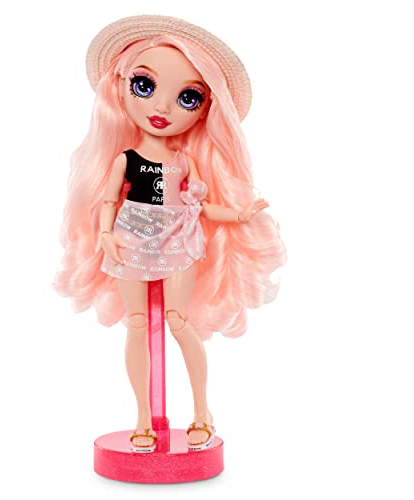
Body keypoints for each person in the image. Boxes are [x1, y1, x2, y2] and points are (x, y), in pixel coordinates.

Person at [52, 15, 287, 453]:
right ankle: (144, 417)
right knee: (136, 324)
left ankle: (202, 412)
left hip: (178, 240)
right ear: (120, 88)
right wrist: (104, 234)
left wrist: (239, 213)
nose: (162, 108)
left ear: (206, 109)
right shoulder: (125, 159)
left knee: (180, 322)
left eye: (188, 97)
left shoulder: (185, 163)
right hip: (129, 240)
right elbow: (108, 201)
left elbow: (199, 207)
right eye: (144, 86)